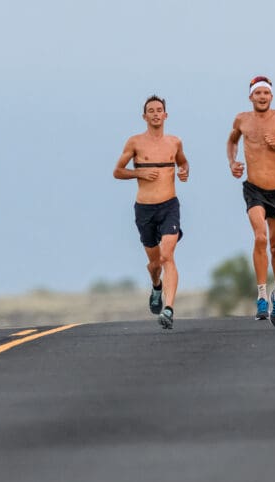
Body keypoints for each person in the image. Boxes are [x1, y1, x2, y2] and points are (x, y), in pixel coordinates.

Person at [227, 76, 275, 327]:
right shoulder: (242, 120)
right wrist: (233, 162)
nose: (262, 97)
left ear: (271, 96)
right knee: (260, 237)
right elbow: (232, 140)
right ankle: (261, 296)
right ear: (250, 96)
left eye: (266, 93)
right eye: (258, 93)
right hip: (254, 190)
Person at [113, 95, 189, 329]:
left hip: (169, 206)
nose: (156, 114)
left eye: (159, 110)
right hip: (145, 209)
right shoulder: (135, 143)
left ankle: (169, 308)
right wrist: (140, 173)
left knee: (167, 256)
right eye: (151, 111)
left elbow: (183, 163)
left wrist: (184, 172)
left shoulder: (174, 142)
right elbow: (117, 171)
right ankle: (156, 285)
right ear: (144, 116)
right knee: (154, 263)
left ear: (165, 115)